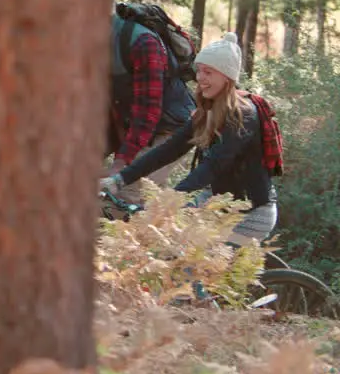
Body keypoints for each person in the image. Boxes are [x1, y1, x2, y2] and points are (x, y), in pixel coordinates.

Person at [100, 32, 282, 247]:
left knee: (192, 269)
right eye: (199, 71)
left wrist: (172, 199)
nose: (200, 78)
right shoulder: (206, 111)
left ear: (227, 77)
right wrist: (119, 180)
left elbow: (213, 165)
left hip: (250, 213)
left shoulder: (243, 115)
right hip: (216, 202)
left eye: (208, 72)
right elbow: (168, 150)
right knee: (168, 246)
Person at [106, 10, 197, 201]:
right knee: (150, 204)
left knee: (125, 192)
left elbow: (148, 112)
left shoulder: (142, 43)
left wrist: (121, 162)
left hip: (172, 129)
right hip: (136, 130)